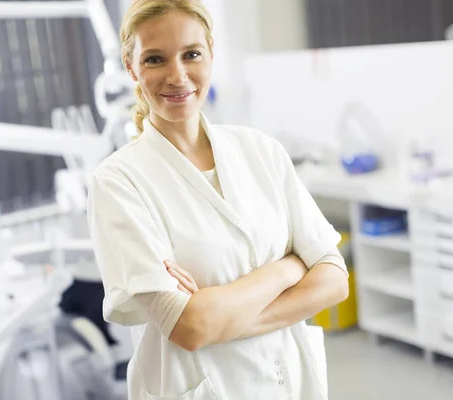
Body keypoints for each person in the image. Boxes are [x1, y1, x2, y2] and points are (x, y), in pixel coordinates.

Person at [87, 1, 349, 399]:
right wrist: (288, 268)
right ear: (131, 67)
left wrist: (219, 315)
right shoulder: (118, 183)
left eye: (191, 54)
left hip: (290, 383)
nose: (177, 76)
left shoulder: (261, 150)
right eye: (155, 59)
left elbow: (334, 280)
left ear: (211, 51)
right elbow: (190, 329)